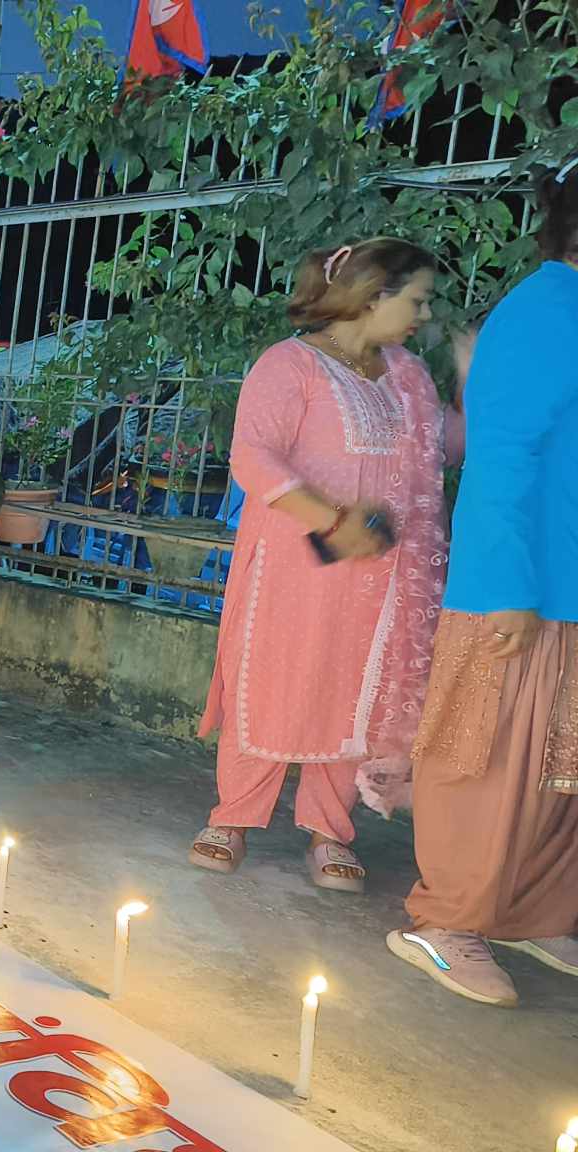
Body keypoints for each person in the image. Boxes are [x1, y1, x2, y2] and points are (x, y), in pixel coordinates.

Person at [192, 238, 454, 894]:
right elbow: (253, 457)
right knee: (270, 681)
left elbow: (450, 444)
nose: (423, 312)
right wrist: (334, 520)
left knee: (354, 695)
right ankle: (233, 817)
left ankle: (330, 829)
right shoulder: (291, 365)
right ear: (374, 295)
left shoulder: (406, 378)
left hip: (381, 581)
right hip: (293, 568)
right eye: (416, 298)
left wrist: (482, 385)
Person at [389, 162, 578, 1007]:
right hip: (521, 587)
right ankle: (444, 923)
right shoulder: (543, 314)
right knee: (488, 762)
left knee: (556, 770)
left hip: (567, 586)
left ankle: (531, 910)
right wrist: (507, 582)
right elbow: (504, 454)